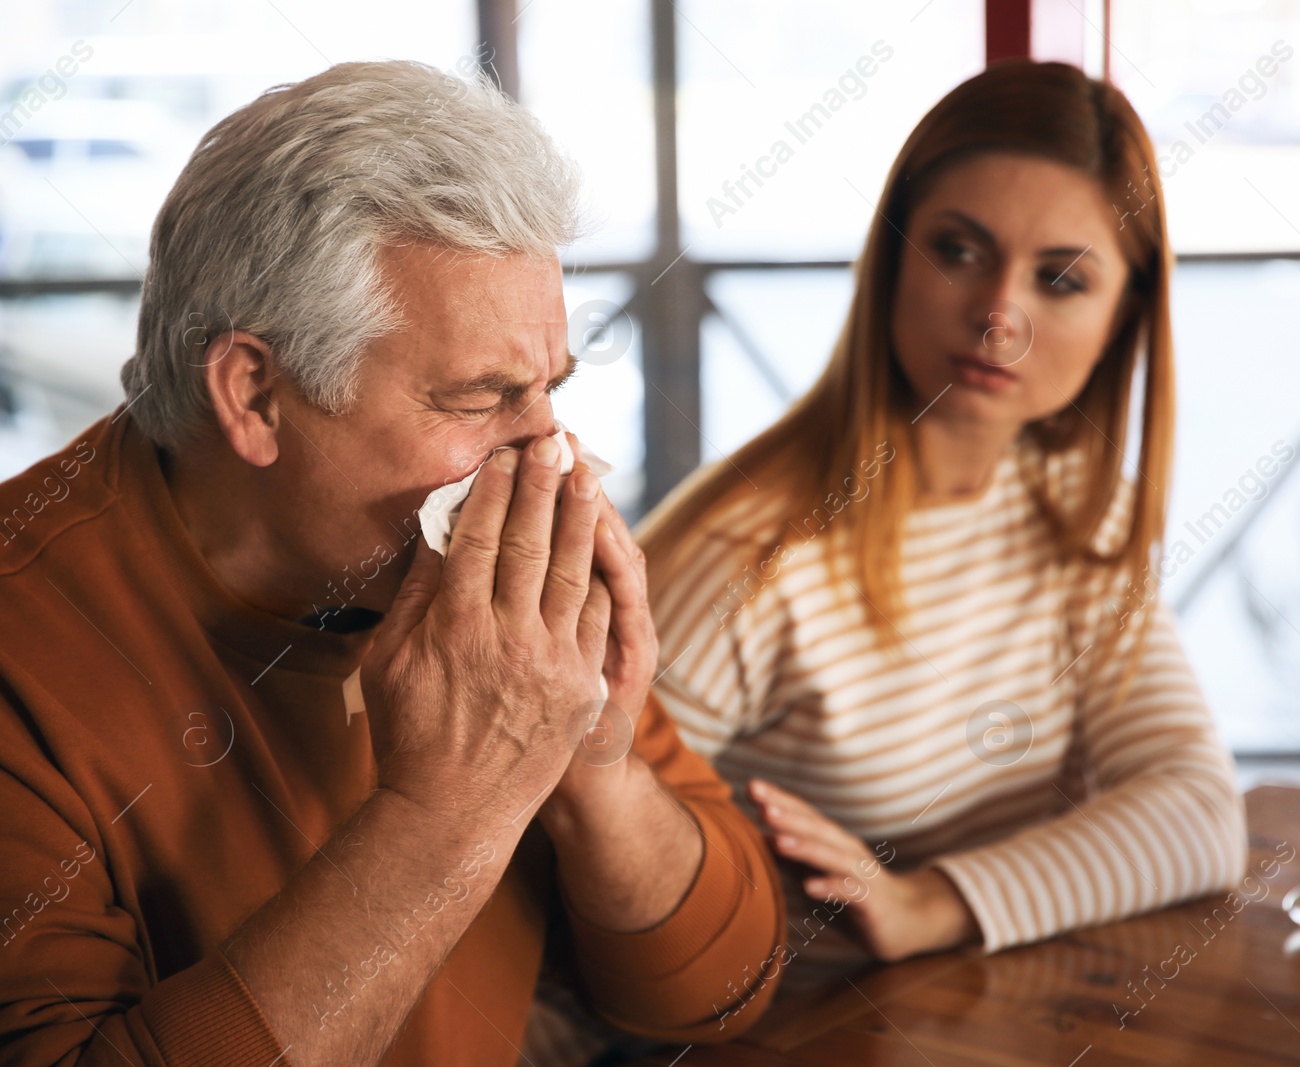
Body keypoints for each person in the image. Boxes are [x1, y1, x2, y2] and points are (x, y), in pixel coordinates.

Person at [0, 61, 783, 1066]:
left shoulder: (494, 592)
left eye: (548, 389)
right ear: (253, 395)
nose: (549, 453)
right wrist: (445, 809)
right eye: (476, 398)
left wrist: (592, 758)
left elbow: (721, 994)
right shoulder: (30, 648)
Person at [639, 60, 1246, 984]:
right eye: (958, 250)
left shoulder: (1075, 511)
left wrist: (928, 903)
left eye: (1061, 279)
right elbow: (567, 872)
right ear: (890, 259)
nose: (1000, 314)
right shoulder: (750, 555)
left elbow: (1199, 813)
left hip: (951, 1012)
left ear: (1125, 316)